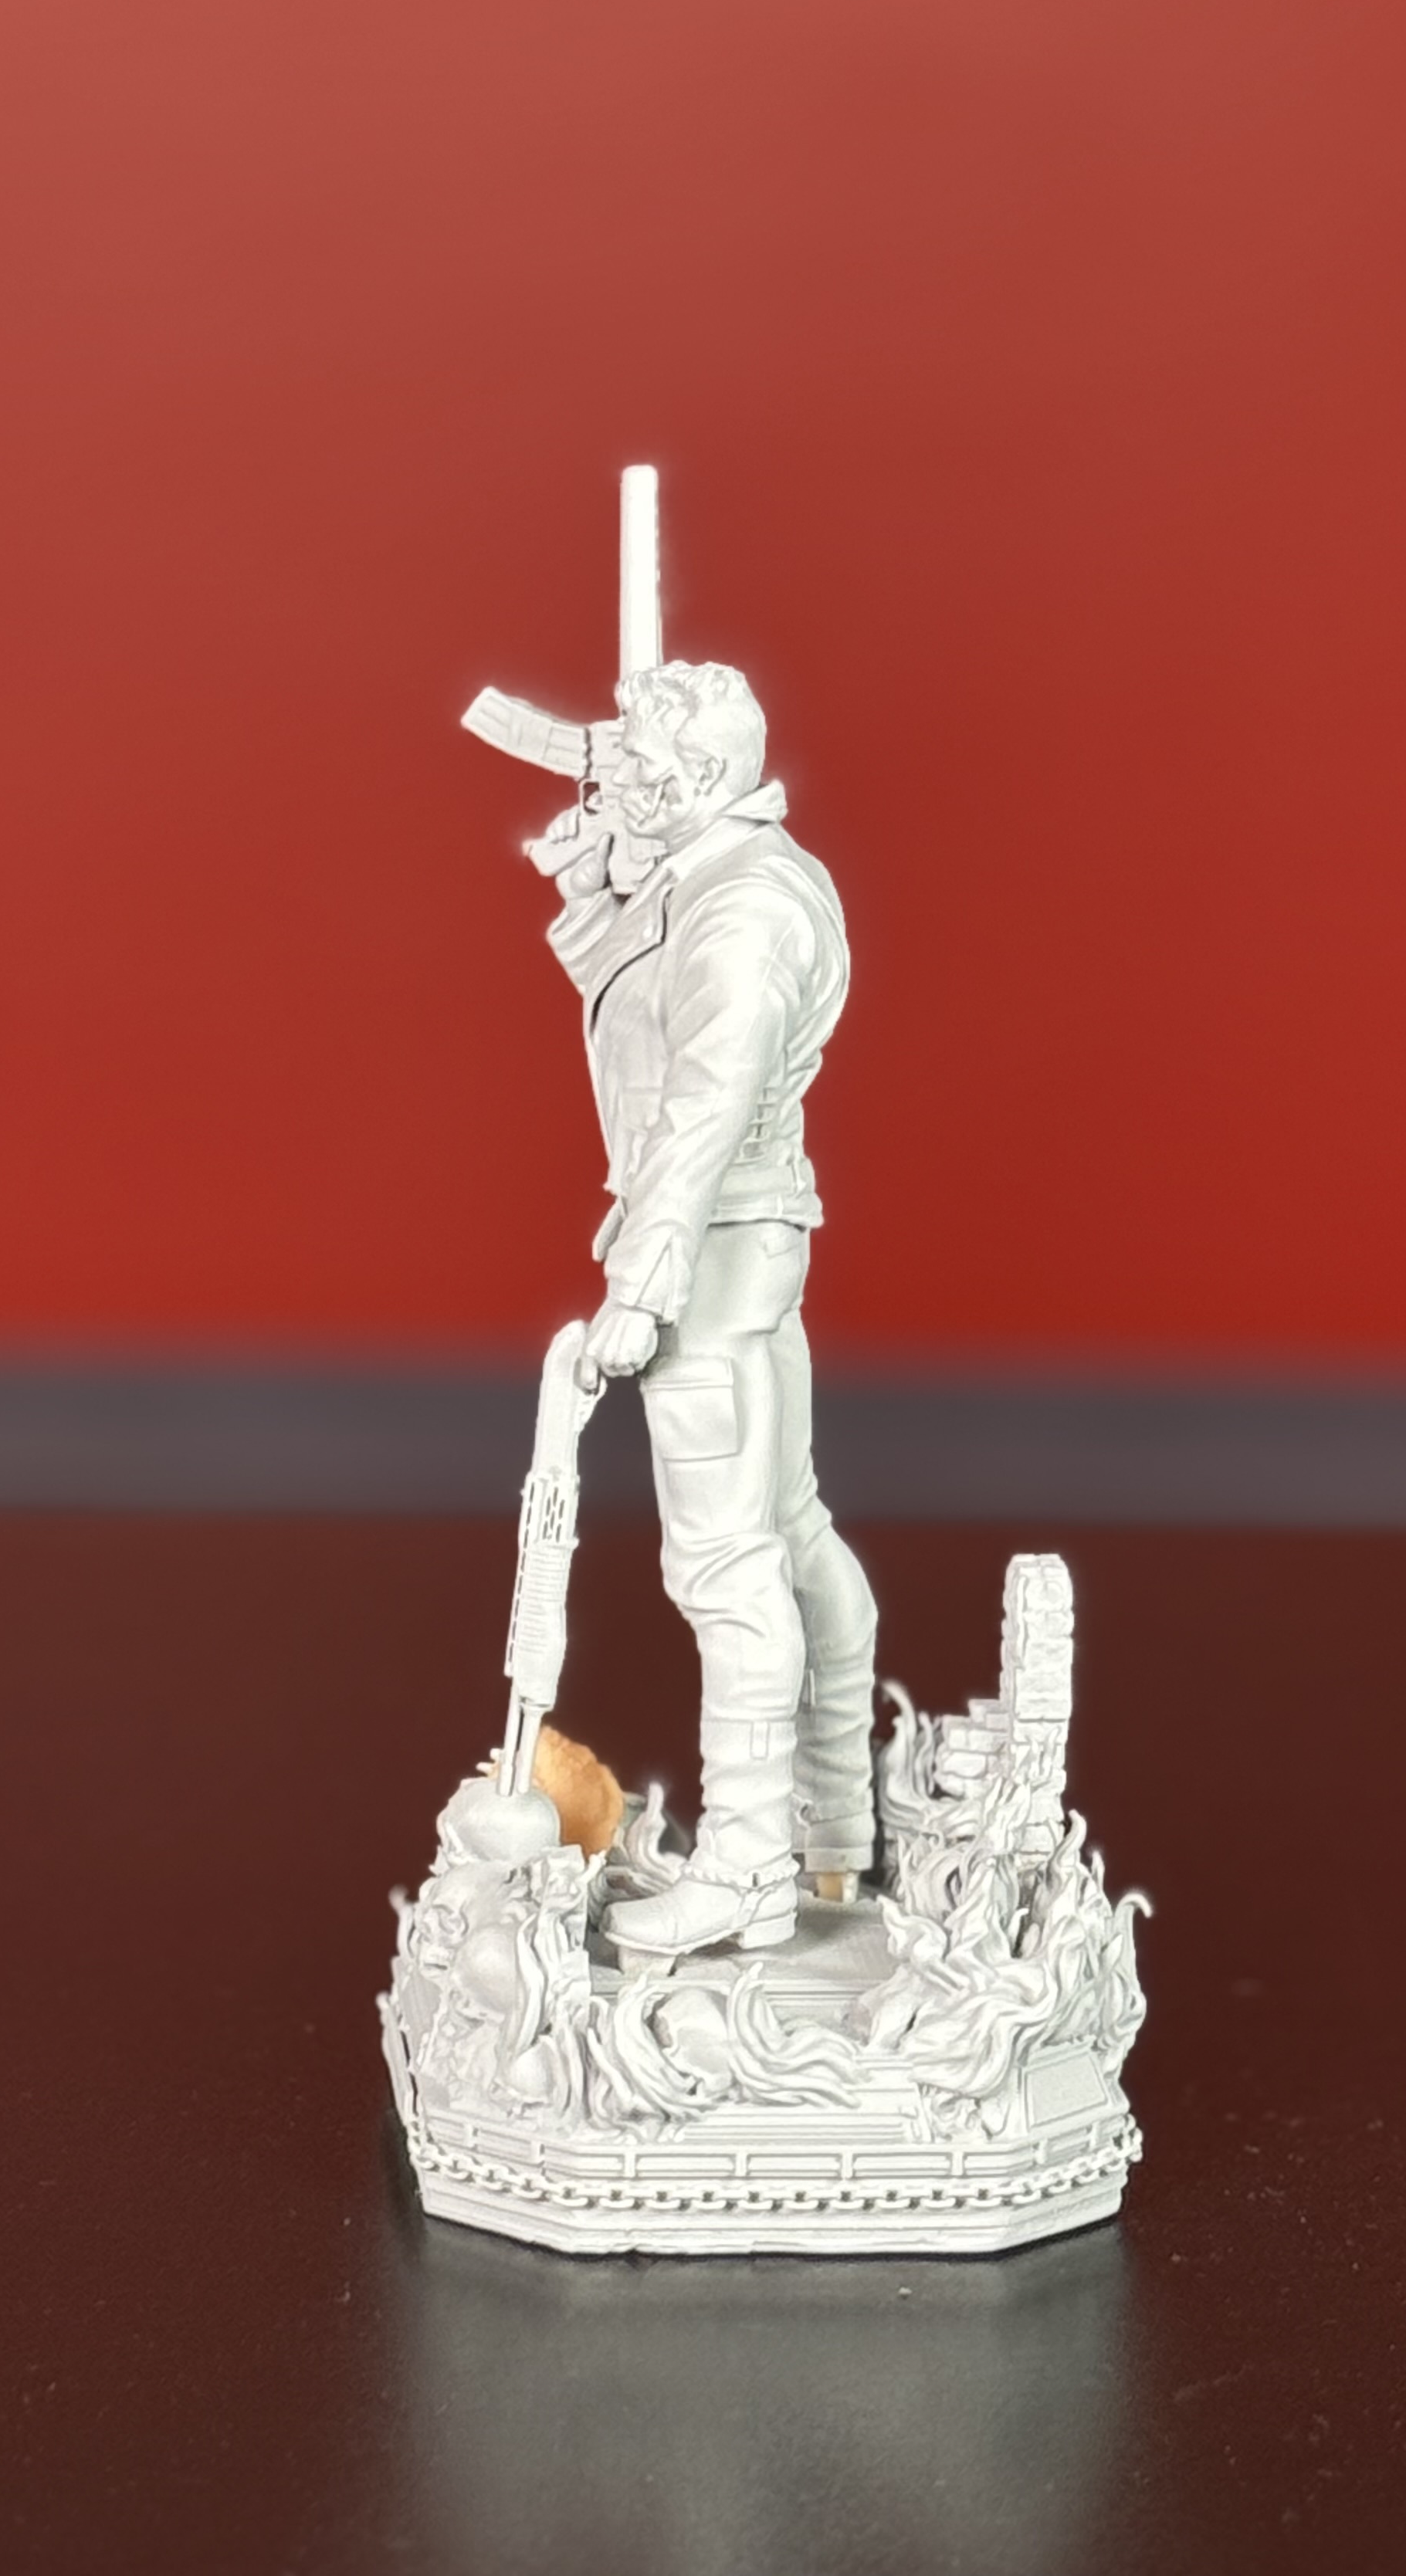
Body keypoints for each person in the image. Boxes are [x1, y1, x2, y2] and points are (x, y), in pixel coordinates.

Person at [530, 659, 877, 1958]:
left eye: (641, 770)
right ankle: (834, 1823)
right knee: (787, 1531)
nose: (617, 781)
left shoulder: (741, 910)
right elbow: (651, 1019)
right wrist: (601, 889)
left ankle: (746, 1866)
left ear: (701, 781)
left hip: (713, 1248)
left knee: (726, 1563)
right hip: (744, 1240)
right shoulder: (732, 878)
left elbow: (703, 1104)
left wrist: (644, 1279)